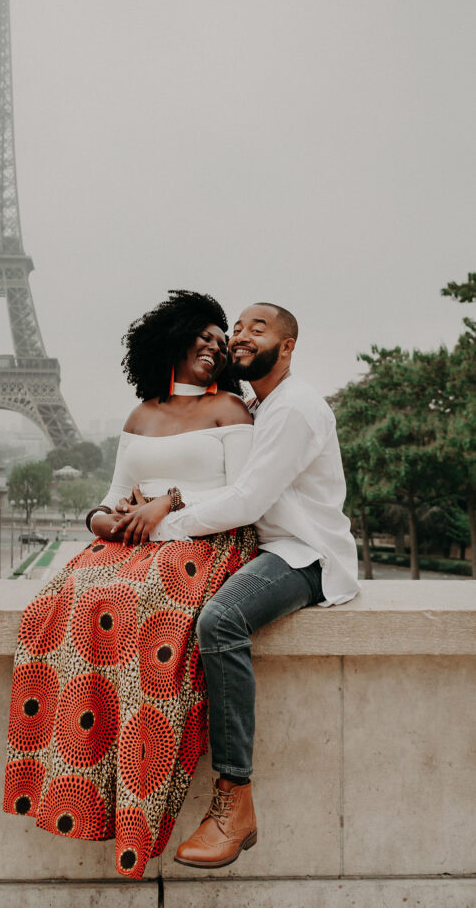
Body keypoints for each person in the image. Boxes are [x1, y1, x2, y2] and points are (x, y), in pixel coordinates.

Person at [3, 290, 258, 879]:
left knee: (133, 603)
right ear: (174, 337)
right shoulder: (140, 416)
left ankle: (139, 792)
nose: (216, 348)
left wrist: (169, 502)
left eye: (223, 342)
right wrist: (108, 521)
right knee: (57, 601)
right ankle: (76, 780)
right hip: (135, 544)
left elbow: (246, 496)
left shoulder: (229, 411)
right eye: (206, 336)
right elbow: (109, 498)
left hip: (206, 541)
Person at [113, 302, 360, 869]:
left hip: (306, 556)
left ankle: (235, 798)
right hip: (270, 546)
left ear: (289, 345)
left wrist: (158, 522)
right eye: (238, 330)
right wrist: (160, 502)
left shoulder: (293, 409)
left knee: (221, 620)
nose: (241, 337)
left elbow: (247, 500)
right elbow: (237, 489)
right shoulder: (259, 405)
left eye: (258, 328)